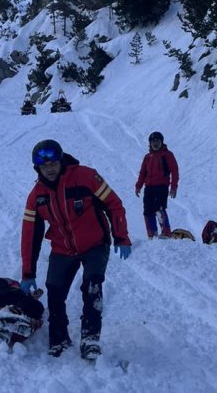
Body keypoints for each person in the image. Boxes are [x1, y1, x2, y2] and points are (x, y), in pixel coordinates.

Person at [19, 139, 131, 360]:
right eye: (44, 166)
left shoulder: (86, 177)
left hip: (95, 243)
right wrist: (27, 272)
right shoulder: (37, 197)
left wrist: (121, 236)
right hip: (62, 248)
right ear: (37, 168)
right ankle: (59, 339)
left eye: (53, 163)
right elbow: (30, 234)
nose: (49, 169)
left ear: (61, 161)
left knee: (92, 287)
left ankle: (90, 339)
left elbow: (113, 203)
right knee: (54, 291)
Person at [134, 131, 179, 239]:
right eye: (153, 141)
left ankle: (166, 232)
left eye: (157, 141)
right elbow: (142, 173)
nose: (155, 143)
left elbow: (175, 171)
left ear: (161, 142)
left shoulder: (167, 155)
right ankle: (152, 234)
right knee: (148, 210)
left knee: (159, 208)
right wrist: (138, 186)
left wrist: (173, 186)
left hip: (162, 187)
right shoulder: (147, 157)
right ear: (150, 143)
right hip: (149, 187)